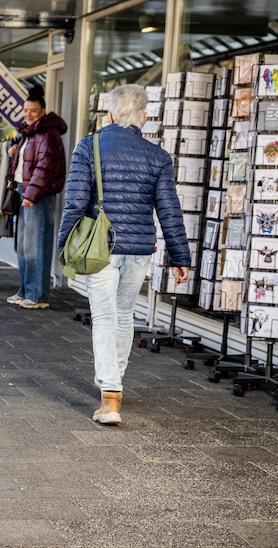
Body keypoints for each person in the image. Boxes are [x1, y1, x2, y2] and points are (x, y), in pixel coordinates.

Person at [57, 84, 191, 426]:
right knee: (125, 314)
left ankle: (110, 397)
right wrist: (180, 256)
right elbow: (169, 209)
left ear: (111, 114)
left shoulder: (89, 147)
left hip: (102, 246)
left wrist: (63, 246)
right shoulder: (158, 156)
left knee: (103, 317)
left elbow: (74, 201)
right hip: (140, 248)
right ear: (144, 117)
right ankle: (114, 385)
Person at [7, 85, 67, 309]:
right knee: (24, 246)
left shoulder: (48, 135)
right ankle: (25, 290)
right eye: (25, 110)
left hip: (38, 195)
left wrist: (31, 195)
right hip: (26, 191)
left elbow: (44, 168)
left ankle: (38, 295)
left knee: (37, 245)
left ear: (43, 111)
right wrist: (13, 154)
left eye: (33, 111)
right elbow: (26, 164)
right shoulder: (28, 134)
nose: (28, 114)